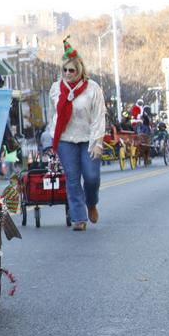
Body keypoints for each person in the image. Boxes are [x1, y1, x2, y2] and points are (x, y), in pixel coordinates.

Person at [46, 37, 106, 232]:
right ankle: (79, 218)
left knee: (91, 177)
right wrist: (51, 134)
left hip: (88, 138)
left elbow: (98, 117)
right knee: (72, 178)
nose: (68, 74)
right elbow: (53, 114)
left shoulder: (92, 89)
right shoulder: (56, 89)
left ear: (79, 70)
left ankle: (92, 203)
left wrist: (98, 142)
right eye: (64, 70)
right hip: (65, 139)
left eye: (71, 70)